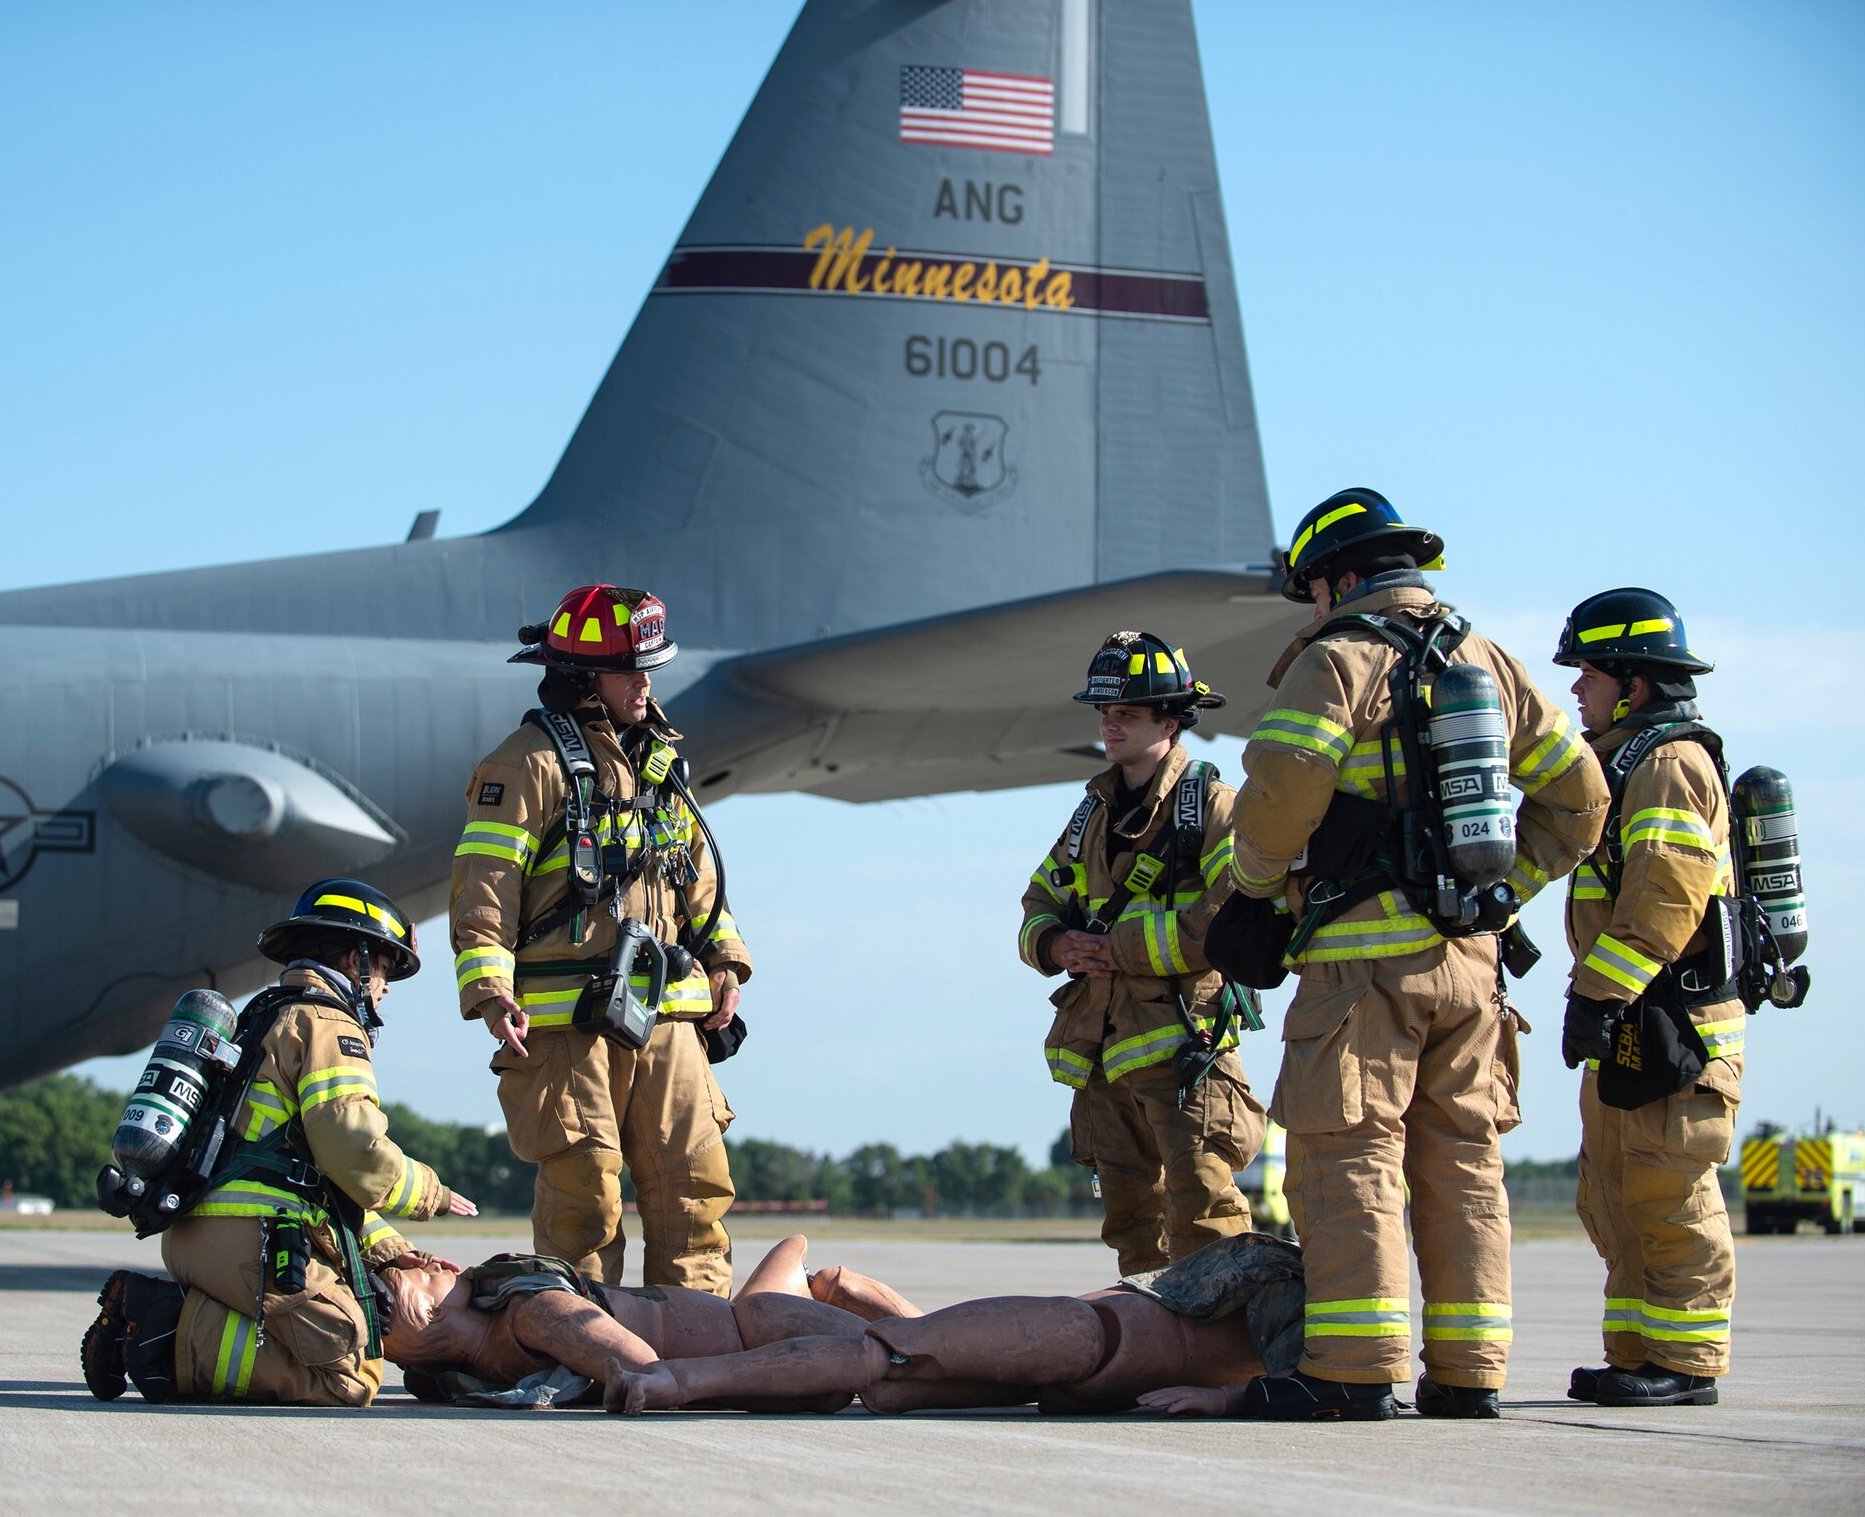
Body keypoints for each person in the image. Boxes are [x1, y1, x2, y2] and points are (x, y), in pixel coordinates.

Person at [1206, 489, 1608, 1421]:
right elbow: (1581, 802)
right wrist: (1507, 891)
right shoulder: (1488, 658)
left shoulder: (1337, 659)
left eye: (1314, 589)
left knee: (1348, 1158)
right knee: (1463, 1163)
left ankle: (1352, 1368)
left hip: (1360, 971)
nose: (1312, 606)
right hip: (1474, 968)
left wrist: (1256, 888)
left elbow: (1280, 792)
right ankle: (1470, 1374)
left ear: (1342, 579)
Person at [448, 584, 752, 1295]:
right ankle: (579, 1350)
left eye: (649, 668)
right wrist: (492, 993)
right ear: (584, 679)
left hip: (669, 1020)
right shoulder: (525, 764)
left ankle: (691, 1352)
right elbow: (484, 886)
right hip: (567, 1028)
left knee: (695, 1191)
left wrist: (726, 962)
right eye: (630, 671)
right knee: (586, 1206)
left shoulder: (659, 764)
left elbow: (699, 877)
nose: (646, 683)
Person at [81, 878, 476, 1405]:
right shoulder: (329, 1024)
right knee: (350, 1370)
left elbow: (319, 1178)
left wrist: (393, 1252)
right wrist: (432, 1193)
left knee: (331, 1339)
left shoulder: (263, 1016)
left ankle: (175, 1321)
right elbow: (351, 1149)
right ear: (358, 961)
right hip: (250, 1238)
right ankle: (160, 1329)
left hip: (202, 1235)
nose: (383, 990)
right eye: (384, 971)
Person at [1018, 631, 1268, 1273]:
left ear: (1170, 718)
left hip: (1186, 1050)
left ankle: (1223, 1357)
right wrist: (1056, 943)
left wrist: (1115, 948)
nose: (1109, 726)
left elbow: (1228, 914)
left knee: (1204, 1211)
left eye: (1125, 714)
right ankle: (1154, 1353)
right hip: (1104, 1054)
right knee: (1131, 1223)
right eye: (1104, 713)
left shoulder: (1212, 805)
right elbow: (1038, 898)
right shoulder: (1090, 814)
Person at [1552, 588, 1742, 1407]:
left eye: (1586, 673)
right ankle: (1638, 1353)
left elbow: (1666, 899)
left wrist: (1595, 994)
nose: (1575, 690)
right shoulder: (1626, 765)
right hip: (1636, 1019)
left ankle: (1689, 1363)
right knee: (1614, 1193)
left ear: (1631, 683)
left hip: (1677, 1023)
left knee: (1669, 1192)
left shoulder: (1669, 764)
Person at [602, 1232, 1305, 1418]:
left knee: (885, 1365)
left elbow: (1312, 1385)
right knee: (890, 1378)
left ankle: (679, 1380)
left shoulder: (1296, 1280)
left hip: (1095, 1359)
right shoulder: (1281, 1264)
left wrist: (1223, 1399)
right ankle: (834, 1289)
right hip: (1088, 1338)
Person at [381, 1234, 907, 1410]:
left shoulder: (461, 1371)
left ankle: (887, 1313)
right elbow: (645, 1368)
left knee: (813, 1279)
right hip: (761, 1338)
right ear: (428, 1316)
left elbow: (643, 1371)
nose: (436, 1263)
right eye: (424, 1277)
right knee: (779, 1295)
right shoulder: (536, 1314)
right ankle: (921, 1330)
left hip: (751, 1340)